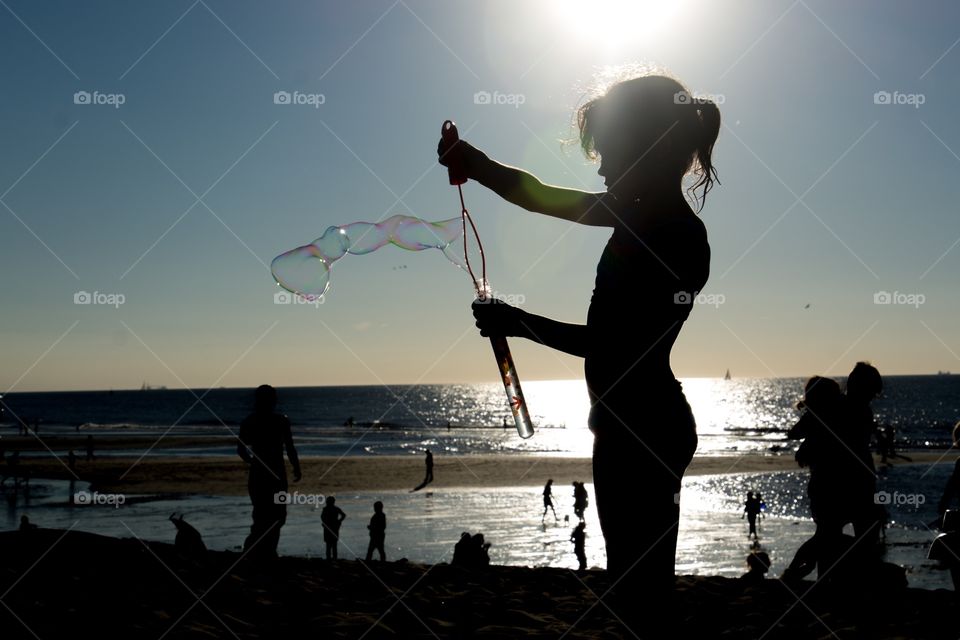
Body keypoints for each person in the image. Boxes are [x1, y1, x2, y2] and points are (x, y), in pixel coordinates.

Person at [451, 72, 719, 617]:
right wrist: (473, 163)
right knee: (635, 591)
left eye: (609, 153)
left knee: (641, 595)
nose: (600, 167)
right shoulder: (634, 217)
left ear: (648, 148)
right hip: (626, 422)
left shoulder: (673, 234)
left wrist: (519, 323)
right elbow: (541, 197)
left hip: (643, 428)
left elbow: (615, 345)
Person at [237, 384, 302, 559]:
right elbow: (290, 448)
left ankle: (260, 551)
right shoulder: (280, 421)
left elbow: (241, 450)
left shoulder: (250, 421)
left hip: (260, 473)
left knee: (263, 515)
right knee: (276, 515)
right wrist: (296, 467)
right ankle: (261, 551)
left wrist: (253, 461)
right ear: (273, 400)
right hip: (275, 474)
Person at [321, 495, 347, 560]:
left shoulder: (326, 509)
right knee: (333, 544)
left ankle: (329, 558)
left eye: (327, 501)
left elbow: (322, 517)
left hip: (329, 528)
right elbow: (343, 515)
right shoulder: (335, 509)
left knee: (329, 545)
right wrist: (339, 521)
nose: (326, 502)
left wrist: (338, 521)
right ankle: (334, 558)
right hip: (333, 527)